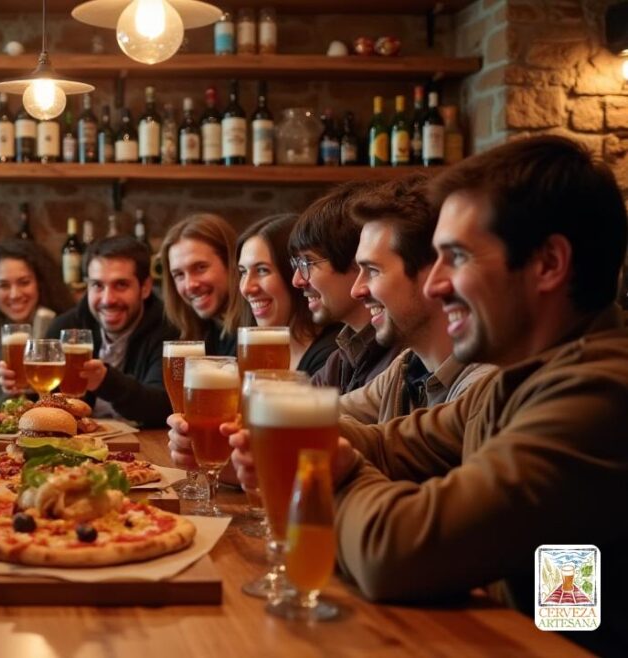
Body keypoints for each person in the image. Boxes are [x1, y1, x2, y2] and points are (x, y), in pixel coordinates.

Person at [230, 136, 628, 655]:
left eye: (456, 257)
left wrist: (330, 471)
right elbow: (390, 443)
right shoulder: (522, 381)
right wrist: (279, 440)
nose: (435, 285)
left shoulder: (599, 394)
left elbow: (395, 551)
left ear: (549, 264)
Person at [341, 173, 494, 424]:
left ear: (434, 273)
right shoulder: (407, 368)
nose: (356, 290)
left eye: (373, 270)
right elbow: (324, 413)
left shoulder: (482, 387)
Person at [0, 236, 177, 427]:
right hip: (79, 440)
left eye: (121, 285)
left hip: (145, 441)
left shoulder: (168, 329)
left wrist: (107, 382)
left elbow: (164, 406)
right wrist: (24, 390)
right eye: (97, 285)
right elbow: (45, 406)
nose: (108, 299)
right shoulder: (65, 327)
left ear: (145, 287)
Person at [289, 180, 399, 391]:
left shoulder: (399, 359)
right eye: (297, 264)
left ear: (357, 261)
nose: (297, 280)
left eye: (307, 263)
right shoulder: (343, 356)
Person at [0, 239, 74, 405]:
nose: (15, 294)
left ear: (40, 284)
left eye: (24, 282)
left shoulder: (63, 329)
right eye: (3, 285)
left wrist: (36, 385)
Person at [236, 214, 338, 374]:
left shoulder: (329, 356)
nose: (246, 288)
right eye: (243, 272)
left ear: (297, 273)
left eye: (262, 270)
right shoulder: (257, 351)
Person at [159, 213, 243, 355]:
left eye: (200, 267)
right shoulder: (205, 331)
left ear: (231, 263)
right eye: (179, 275)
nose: (189, 285)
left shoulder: (253, 333)